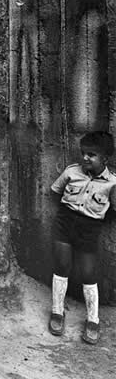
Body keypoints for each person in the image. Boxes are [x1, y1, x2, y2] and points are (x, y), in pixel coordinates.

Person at [48, 131, 116, 344]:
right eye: (83, 153)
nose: (85, 158)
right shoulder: (72, 172)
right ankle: (57, 312)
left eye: (92, 154)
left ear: (105, 158)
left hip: (90, 228)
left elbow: (113, 210)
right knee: (62, 264)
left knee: (88, 272)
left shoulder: (112, 183)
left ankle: (93, 319)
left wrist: (97, 218)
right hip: (65, 223)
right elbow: (55, 191)